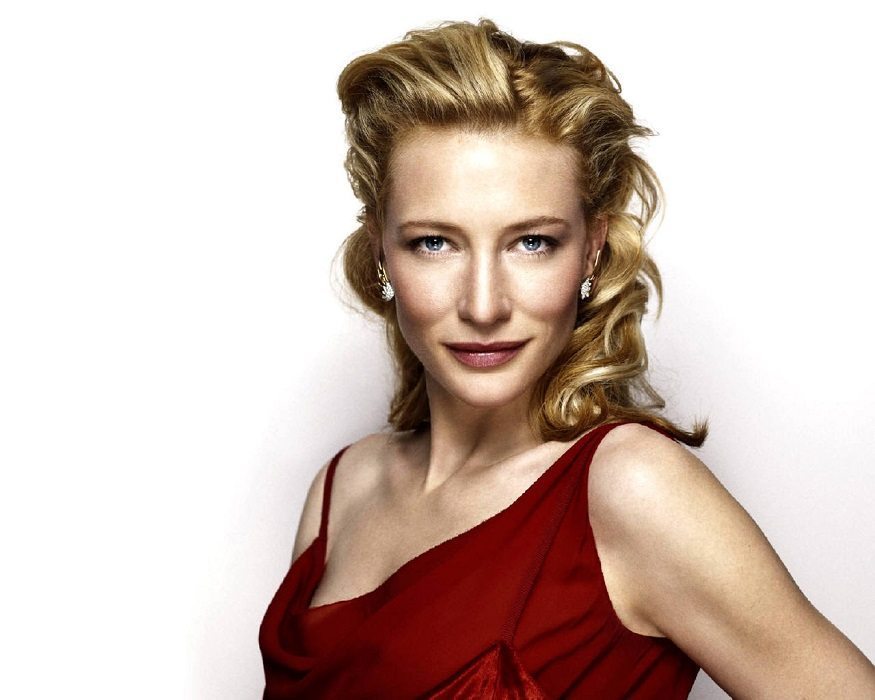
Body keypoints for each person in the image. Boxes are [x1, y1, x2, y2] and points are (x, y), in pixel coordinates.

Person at [259, 18, 875, 698]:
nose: (484, 304)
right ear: (381, 250)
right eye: (434, 242)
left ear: (591, 251)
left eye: (532, 243)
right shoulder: (342, 488)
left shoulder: (631, 488)